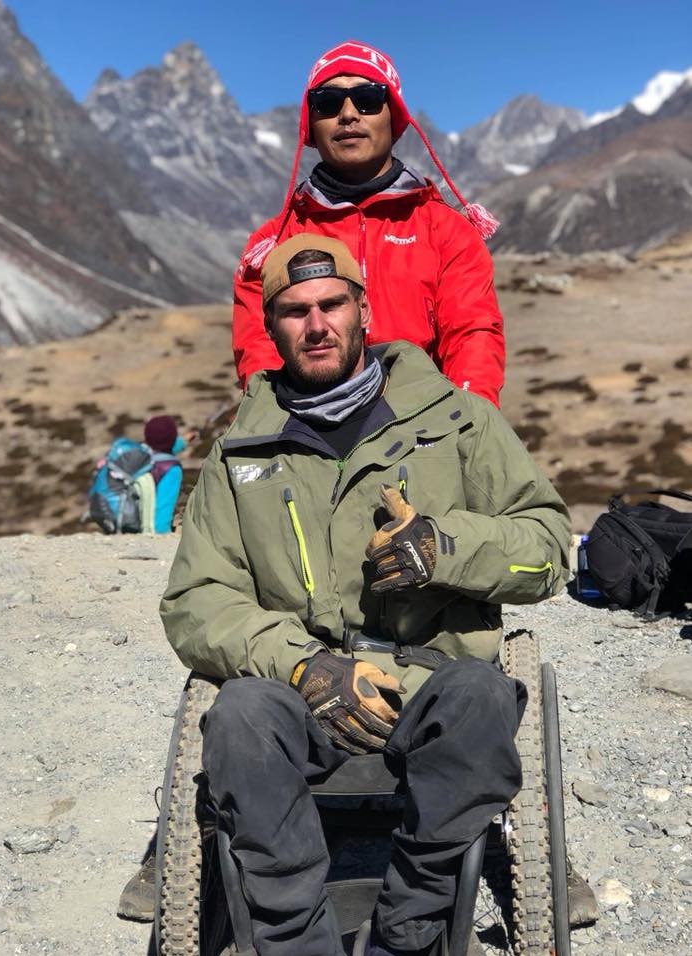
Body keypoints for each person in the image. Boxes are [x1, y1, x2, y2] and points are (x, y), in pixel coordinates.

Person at [159, 235, 571, 955]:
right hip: (305, 690)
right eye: (293, 311)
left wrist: (444, 548)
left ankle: (410, 931)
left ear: (363, 309)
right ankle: (295, 940)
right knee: (240, 716)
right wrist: (300, 665)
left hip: (429, 678)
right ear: (272, 326)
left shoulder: (458, 421)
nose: (315, 325)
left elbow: (546, 548)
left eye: (330, 304)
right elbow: (197, 598)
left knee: (479, 697)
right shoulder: (240, 452)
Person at [232, 40, 505, 407]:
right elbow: (258, 351)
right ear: (310, 123)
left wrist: (469, 425)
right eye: (328, 103)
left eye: (368, 99)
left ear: (393, 115)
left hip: (428, 430)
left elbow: (473, 335)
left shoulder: (446, 229)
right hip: (306, 436)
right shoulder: (272, 241)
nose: (348, 114)